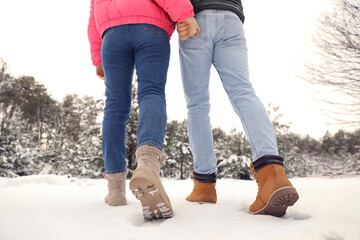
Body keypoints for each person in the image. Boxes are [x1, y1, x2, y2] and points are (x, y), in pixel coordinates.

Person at [177, 0, 299, 217]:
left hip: (195, 19)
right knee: (243, 92)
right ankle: (272, 173)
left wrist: (179, 15)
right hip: (231, 20)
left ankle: (204, 186)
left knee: (197, 104)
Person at [87, 0, 199, 219]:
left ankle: (115, 188)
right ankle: (148, 164)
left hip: (111, 36)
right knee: (152, 93)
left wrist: (97, 56)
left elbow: (93, 16)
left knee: (114, 107)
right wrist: (184, 13)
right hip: (151, 28)